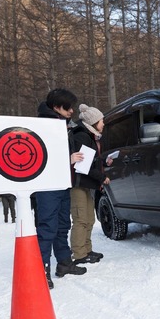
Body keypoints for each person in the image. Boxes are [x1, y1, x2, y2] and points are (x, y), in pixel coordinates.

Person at [35, 88, 86, 289]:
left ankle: (64, 263)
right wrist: (68, 159)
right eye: (68, 107)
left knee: (63, 224)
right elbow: (39, 158)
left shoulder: (63, 125)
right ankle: (41, 272)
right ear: (56, 107)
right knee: (47, 227)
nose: (71, 111)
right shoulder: (42, 126)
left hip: (63, 183)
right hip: (47, 185)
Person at [69, 104, 110, 265]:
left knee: (89, 219)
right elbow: (83, 166)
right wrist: (101, 177)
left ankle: (87, 249)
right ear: (93, 122)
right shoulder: (81, 136)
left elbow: (91, 160)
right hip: (78, 184)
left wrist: (103, 161)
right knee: (81, 219)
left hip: (86, 184)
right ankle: (79, 254)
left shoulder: (89, 136)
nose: (103, 124)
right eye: (101, 121)